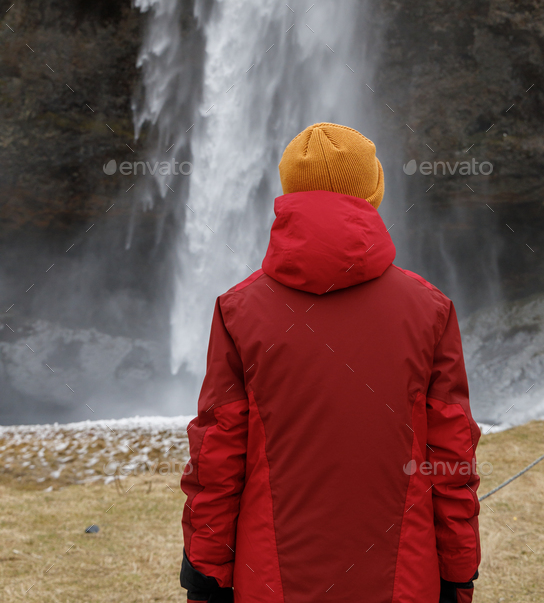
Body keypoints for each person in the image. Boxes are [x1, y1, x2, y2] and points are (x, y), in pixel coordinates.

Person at [180, 122, 481, 603]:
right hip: (405, 584)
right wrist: (459, 572)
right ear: (373, 192)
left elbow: (216, 461)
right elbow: (451, 459)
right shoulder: (431, 309)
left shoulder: (237, 310)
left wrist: (206, 579)